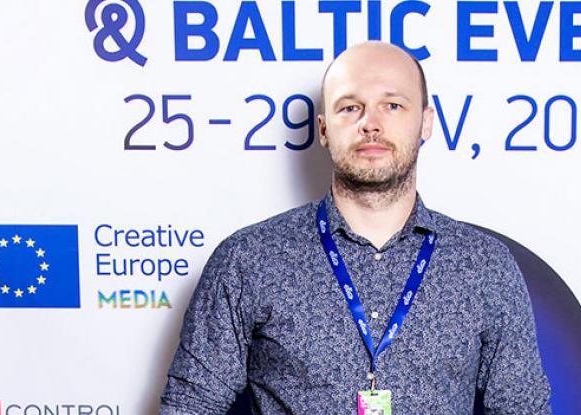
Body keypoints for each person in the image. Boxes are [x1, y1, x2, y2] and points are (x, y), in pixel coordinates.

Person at [159, 41, 551, 414]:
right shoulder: (248, 259)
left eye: (393, 105)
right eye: (350, 108)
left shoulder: (484, 264)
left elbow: (523, 408)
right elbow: (189, 405)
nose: (371, 124)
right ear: (324, 129)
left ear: (426, 122)